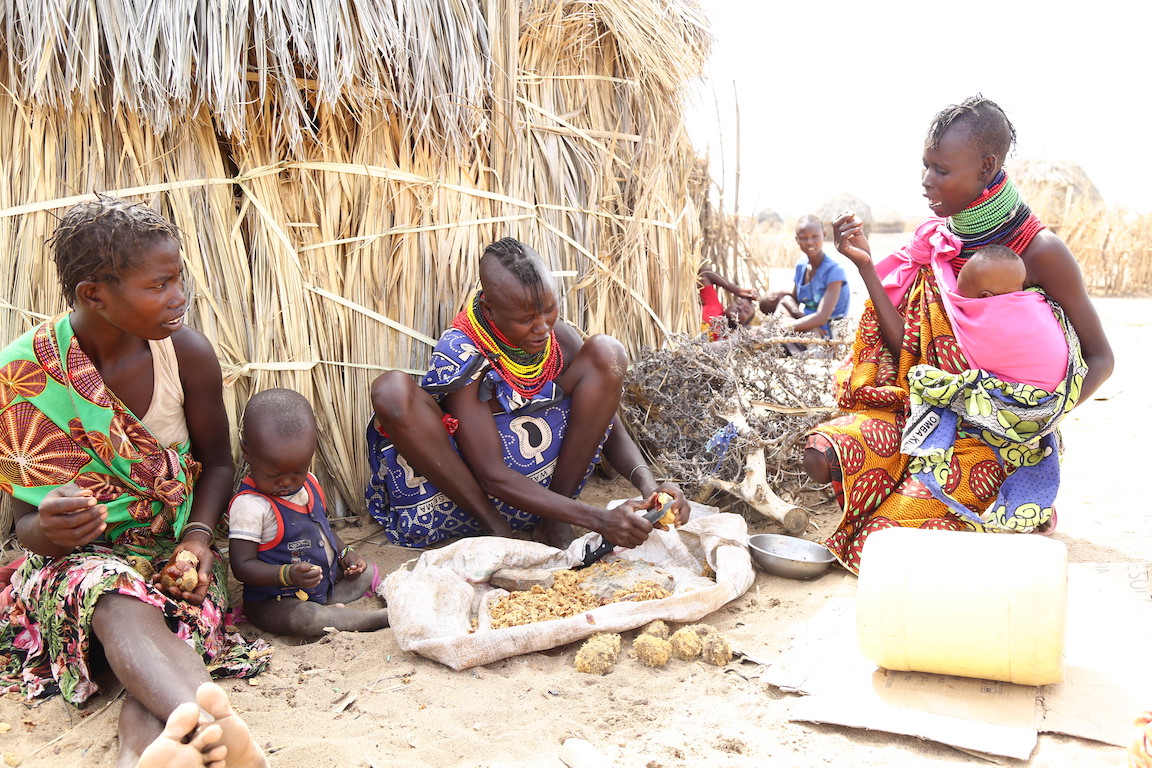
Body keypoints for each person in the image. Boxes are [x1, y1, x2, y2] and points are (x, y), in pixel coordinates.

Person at [0, 197, 270, 767]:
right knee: (113, 591)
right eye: (159, 285)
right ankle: (212, 731)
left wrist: (197, 541)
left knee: (175, 627)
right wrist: (52, 528)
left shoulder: (187, 354)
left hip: (175, 552)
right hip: (78, 563)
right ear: (94, 294)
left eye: (179, 280)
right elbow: (26, 528)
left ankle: (141, 757)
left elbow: (219, 464)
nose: (179, 297)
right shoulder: (24, 373)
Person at [805, 96, 1112, 572]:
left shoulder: (1040, 251)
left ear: (987, 166)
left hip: (998, 439)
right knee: (824, 454)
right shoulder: (937, 244)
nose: (926, 181)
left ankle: (1018, 502)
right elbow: (906, 348)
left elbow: (1101, 357)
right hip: (928, 414)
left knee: (887, 546)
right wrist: (866, 266)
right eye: (925, 166)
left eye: (941, 170)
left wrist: (1032, 423)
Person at [366, 237, 689, 549]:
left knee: (608, 353)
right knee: (391, 391)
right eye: (525, 319)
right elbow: (492, 475)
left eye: (549, 310)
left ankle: (553, 521)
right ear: (489, 310)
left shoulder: (554, 339)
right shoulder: (464, 353)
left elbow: (607, 421)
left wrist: (649, 485)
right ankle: (495, 527)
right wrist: (599, 519)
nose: (542, 328)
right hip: (481, 491)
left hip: (550, 487)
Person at [228, 388, 388, 637]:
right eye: (273, 475)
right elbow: (242, 565)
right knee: (306, 618)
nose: (287, 483)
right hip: (275, 600)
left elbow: (322, 530)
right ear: (247, 452)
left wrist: (346, 555)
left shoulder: (310, 483)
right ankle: (371, 620)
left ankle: (332, 608)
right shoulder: (250, 506)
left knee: (365, 571)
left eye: (298, 471)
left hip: (321, 585)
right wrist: (287, 575)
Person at [758, 215, 851, 337]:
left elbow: (822, 317)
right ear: (797, 240)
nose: (809, 242)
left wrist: (785, 327)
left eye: (814, 236)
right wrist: (796, 313)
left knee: (780, 330)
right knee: (784, 304)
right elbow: (794, 299)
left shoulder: (834, 271)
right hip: (806, 323)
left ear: (824, 235)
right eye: (804, 238)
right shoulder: (801, 266)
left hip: (828, 329)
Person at [699, 266, 757, 340]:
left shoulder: (730, 342)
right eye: (738, 303)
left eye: (746, 311)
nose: (740, 308)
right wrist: (737, 290)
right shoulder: (715, 305)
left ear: (745, 324)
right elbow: (704, 273)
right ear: (730, 304)